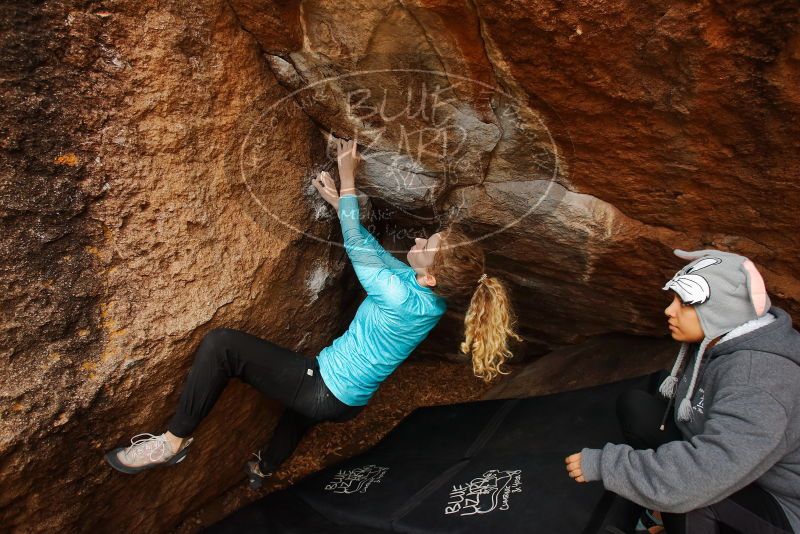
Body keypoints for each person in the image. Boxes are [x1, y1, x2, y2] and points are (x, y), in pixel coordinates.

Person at [104, 137, 522, 488]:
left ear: (431, 276)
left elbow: (358, 245)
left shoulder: (399, 295)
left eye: (427, 245)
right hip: (348, 402)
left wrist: (348, 175)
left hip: (325, 389)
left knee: (222, 346)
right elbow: (375, 255)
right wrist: (342, 204)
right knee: (300, 413)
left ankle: (170, 444)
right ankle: (264, 468)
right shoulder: (430, 299)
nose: (419, 237)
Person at [565, 248, 800, 533]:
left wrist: (607, 464)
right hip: (745, 468)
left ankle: (675, 517)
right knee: (638, 409)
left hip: (784, 508)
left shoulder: (758, 379)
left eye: (685, 302)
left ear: (722, 311)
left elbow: (705, 475)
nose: (669, 310)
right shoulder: (716, 342)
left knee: (692, 499)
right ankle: (664, 513)